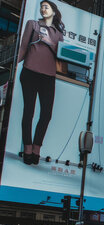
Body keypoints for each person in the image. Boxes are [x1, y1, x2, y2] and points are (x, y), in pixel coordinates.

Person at [17, 1, 64, 165]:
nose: (43, 9)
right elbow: (23, 47)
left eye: (47, 7)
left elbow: (61, 56)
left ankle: (37, 147)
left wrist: (50, 43)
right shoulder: (33, 24)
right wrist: (14, 65)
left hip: (48, 77)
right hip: (29, 72)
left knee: (46, 114)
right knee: (29, 111)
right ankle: (28, 148)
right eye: (41, 7)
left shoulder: (58, 33)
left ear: (53, 11)